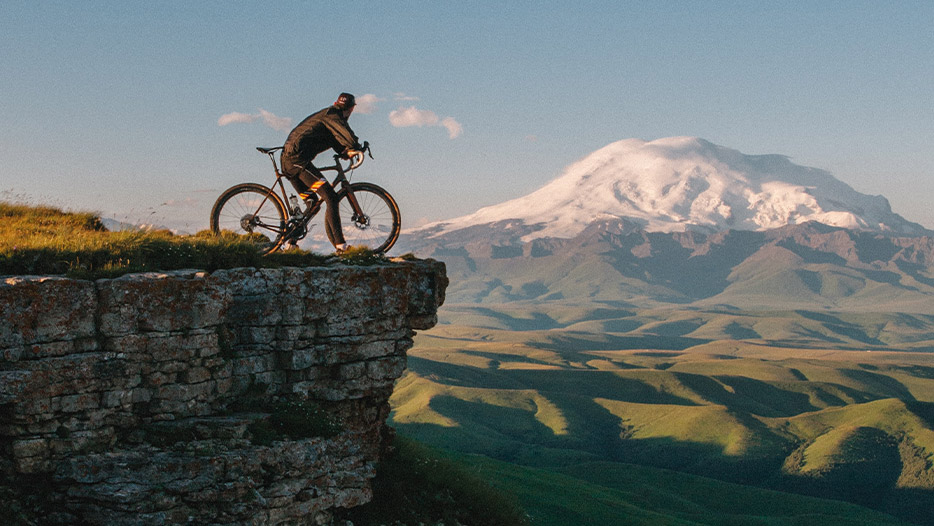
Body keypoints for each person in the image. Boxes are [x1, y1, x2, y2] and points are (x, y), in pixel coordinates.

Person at [281, 92, 363, 253]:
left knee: (312, 203)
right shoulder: (334, 115)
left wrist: (345, 152)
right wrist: (356, 147)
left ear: (336, 102)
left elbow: (335, 140)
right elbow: (346, 134)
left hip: (290, 161)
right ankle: (341, 245)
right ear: (352, 109)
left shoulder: (328, 117)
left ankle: (290, 242)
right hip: (297, 161)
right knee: (331, 197)